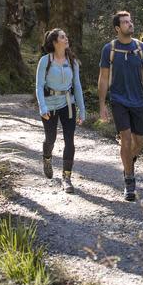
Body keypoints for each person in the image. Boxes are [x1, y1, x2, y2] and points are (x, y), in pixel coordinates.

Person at [97, 10, 143, 201]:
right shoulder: (109, 49)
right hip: (119, 100)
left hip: (138, 102)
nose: (130, 24)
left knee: (139, 142)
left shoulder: (141, 48)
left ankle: (127, 163)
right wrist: (102, 104)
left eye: (130, 21)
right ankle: (129, 181)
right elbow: (103, 78)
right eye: (125, 22)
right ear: (118, 28)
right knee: (125, 139)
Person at [36, 28, 86, 192]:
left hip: (67, 104)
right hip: (49, 104)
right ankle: (47, 157)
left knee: (69, 140)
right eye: (63, 37)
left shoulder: (72, 61)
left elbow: (77, 86)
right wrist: (42, 107)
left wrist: (82, 109)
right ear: (55, 42)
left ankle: (67, 178)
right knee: (50, 138)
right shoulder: (45, 60)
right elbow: (39, 86)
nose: (66, 39)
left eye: (66, 36)